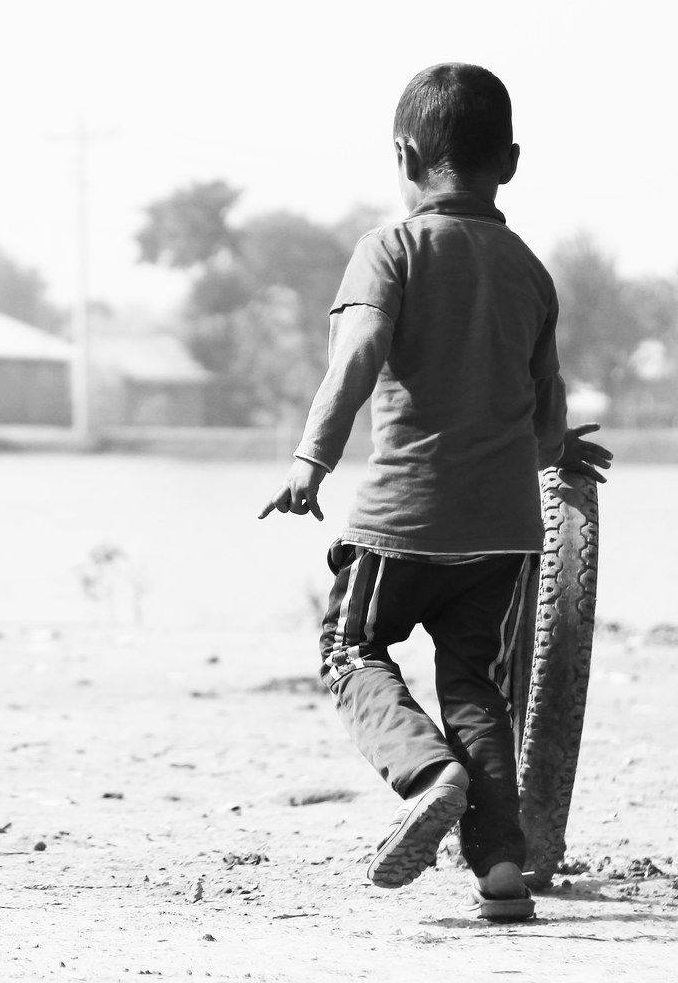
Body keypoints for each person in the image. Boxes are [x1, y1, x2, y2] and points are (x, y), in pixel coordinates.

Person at [258, 63, 613, 921]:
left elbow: (361, 353)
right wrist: (561, 453)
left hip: (402, 522)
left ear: (404, 155)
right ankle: (499, 870)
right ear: (512, 162)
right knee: (477, 689)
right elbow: (542, 412)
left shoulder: (391, 250)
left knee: (350, 650)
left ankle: (428, 774)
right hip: (502, 534)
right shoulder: (530, 270)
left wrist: (312, 459)